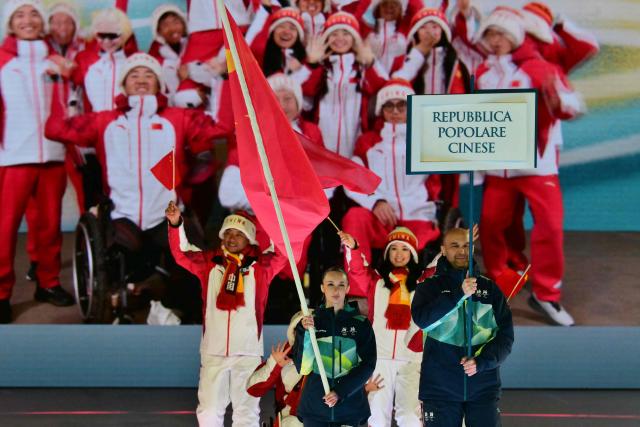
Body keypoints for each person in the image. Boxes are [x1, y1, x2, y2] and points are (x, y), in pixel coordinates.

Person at [45, 53, 230, 322]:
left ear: (160, 84)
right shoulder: (105, 121)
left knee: (197, 263)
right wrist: (60, 82)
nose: (141, 80)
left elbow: (223, 126)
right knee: (120, 251)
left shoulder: (179, 118)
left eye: (148, 75)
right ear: (123, 85)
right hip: (123, 217)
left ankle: (188, 310)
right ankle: (126, 294)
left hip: (167, 216)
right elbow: (56, 128)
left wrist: (223, 77)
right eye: (134, 75)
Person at [474, 7, 582, 326]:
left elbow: (571, 105)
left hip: (537, 165)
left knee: (549, 225)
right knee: (491, 223)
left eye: (503, 33)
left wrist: (556, 99)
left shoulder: (539, 68)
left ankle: (547, 294)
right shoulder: (481, 73)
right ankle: (500, 282)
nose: (496, 40)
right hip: (498, 169)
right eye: (490, 33)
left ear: (517, 36)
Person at [165, 202, 288, 426]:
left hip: (248, 353)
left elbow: (282, 251)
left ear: (249, 238)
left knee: (246, 413)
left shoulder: (260, 266)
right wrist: (175, 224)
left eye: (238, 234)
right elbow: (182, 253)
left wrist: (274, 217)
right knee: (209, 411)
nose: (231, 238)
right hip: (214, 351)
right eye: (228, 233)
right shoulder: (209, 263)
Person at [0, 0, 76, 324]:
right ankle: (2, 293)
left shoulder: (57, 62)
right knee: (5, 229)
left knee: (49, 225)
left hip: (53, 154)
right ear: (10, 24)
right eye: (20, 15)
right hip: (13, 156)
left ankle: (48, 283)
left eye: (34, 15)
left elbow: (71, 104)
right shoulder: (3, 62)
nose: (28, 20)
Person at [341, 79, 440, 294]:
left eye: (401, 105)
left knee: (418, 255)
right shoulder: (367, 142)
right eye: (389, 105)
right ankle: (359, 294)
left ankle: (415, 299)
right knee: (354, 217)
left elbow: (437, 183)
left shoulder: (426, 139)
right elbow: (352, 180)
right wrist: (375, 201)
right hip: (381, 218)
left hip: (416, 217)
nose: (395, 111)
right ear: (381, 110)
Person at [411, 228, 514, 427]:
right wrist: (459, 294)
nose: (461, 251)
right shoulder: (428, 287)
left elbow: (506, 338)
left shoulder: (490, 290)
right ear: (443, 249)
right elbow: (423, 321)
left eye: (466, 245)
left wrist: (481, 362)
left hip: (483, 389)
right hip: (439, 390)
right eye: (454, 245)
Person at [340, 228, 423, 426]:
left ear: (412, 254)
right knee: (376, 415)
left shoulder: (422, 283)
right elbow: (358, 270)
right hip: (379, 358)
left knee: (410, 416)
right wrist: (353, 248)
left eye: (405, 248)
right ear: (387, 253)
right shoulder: (376, 281)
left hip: (410, 359)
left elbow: (443, 264)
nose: (399, 253)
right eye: (394, 248)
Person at [292, 266, 376, 426]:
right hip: (315, 410)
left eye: (341, 284)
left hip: (350, 410)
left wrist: (340, 392)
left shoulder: (360, 324)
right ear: (322, 287)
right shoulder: (310, 322)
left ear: (348, 288)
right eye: (330, 284)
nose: (336, 289)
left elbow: (368, 365)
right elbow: (303, 367)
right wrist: (304, 332)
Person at [303, 11, 388, 159]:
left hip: (355, 145)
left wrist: (370, 64)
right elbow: (305, 94)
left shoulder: (363, 66)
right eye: (334, 34)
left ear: (354, 38)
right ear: (327, 37)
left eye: (346, 33)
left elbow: (383, 89)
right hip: (322, 144)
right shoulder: (321, 67)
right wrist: (312, 64)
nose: (340, 39)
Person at [246, 311, 309, 427]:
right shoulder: (283, 355)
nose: (306, 334)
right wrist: (274, 365)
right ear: (294, 333)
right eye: (301, 329)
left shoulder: (330, 355)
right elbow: (252, 389)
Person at [148, 4, 188, 105]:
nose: (173, 28)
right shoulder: (155, 61)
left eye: (176, 22)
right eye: (165, 25)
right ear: (158, 31)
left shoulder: (194, 47)